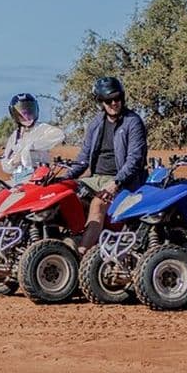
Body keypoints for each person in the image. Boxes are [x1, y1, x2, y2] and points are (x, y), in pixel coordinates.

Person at [65, 77, 148, 253]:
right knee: (63, 195)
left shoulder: (133, 122)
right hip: (95, 178)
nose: (114, 103)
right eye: (108, 100)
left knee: (97, 203)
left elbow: (135, 160)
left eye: (117, 98)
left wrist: (116, 183)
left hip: (123, 181)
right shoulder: (96, 123)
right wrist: (64, 178)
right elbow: (83, 158)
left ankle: (81, 253)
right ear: (101, 102)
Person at [1, 93, 65, 184]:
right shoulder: (14, 136)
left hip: (40, 178)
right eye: (23, 113)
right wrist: (13, 162)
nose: (27, 116)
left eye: (29, 112)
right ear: (15, 115)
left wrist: (31, 146)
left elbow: (59, 135)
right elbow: (5, 165)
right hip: (18, 179)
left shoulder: (42, 128)